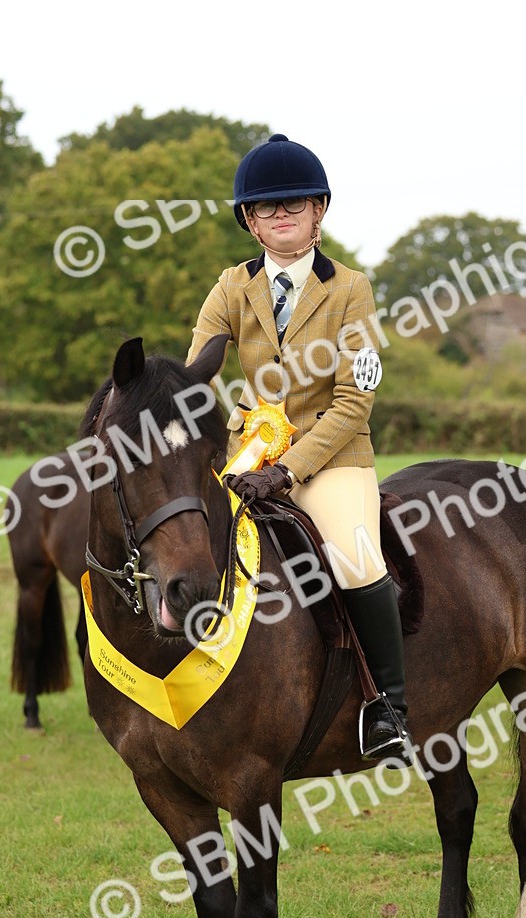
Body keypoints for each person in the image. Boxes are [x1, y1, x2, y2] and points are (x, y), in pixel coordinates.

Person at [186, 133, 411, 761]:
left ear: (319, 211)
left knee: (356, 558)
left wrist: (287, 471)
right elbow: (197, 370)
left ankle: (389, 708)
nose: (281, 213)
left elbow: (355, 402)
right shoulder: (231, 287)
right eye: (267, 206)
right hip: (247, 455)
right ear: (250, 221)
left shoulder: (351, 289)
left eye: (296, 203)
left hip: (331, 458)